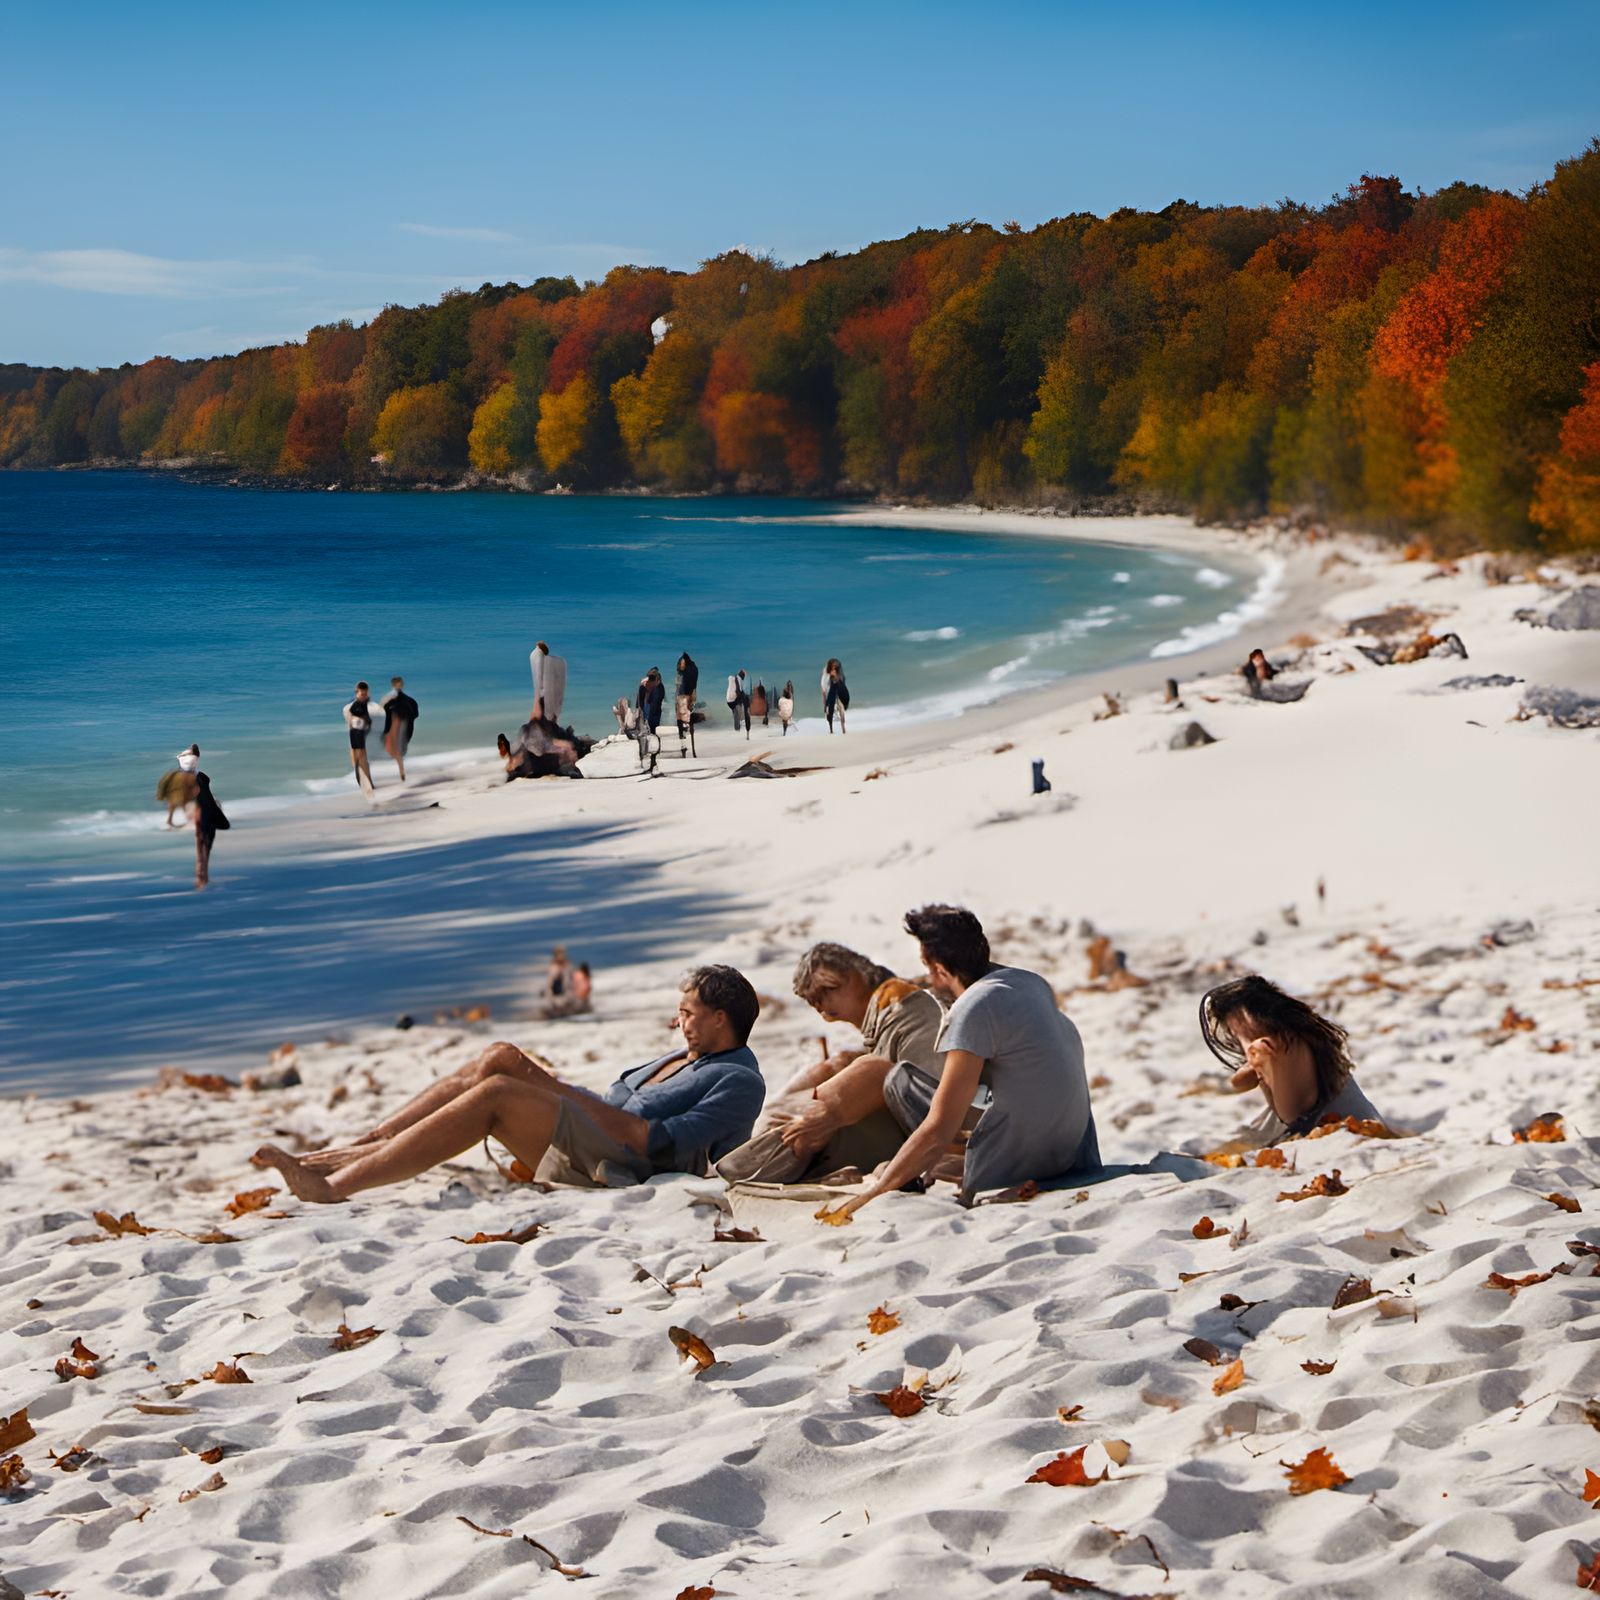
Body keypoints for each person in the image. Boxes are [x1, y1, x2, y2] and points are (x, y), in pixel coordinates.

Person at [252, 966, 766, 1202]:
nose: (679, 1022)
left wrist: (557, 1090)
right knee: (492, 1063)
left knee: (498, 1087)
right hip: (593, 1140)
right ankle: (354, 1151)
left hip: (622, 1166)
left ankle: (335, 1184)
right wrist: (562, 1091)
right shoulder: (685, 1054)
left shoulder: (737, 1079)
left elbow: (653, 1141)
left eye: (688, 1013)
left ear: (721, 1019)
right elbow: (618, 1104)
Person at [811, 905, 1101, 1220]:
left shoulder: (973, 1009)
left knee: (900, 1081)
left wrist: (873, 1194)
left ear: (940, 969)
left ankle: (951, 1166)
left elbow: (939, 1126)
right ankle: (948, 1160)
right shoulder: (1030, 983)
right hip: (1070, 1154)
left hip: (1019, 1168)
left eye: (927, 966)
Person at [717, 941, 947, 1184]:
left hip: (930, 1123)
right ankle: (757, 1143)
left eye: (828, 988)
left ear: (858, 974)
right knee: (840, 1068)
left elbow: (928, 1091)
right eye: (813, 998)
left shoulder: (903, 1006)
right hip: (911, 1118)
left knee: (866, 1070)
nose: (820, 1004)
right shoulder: (885, 1014)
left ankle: (758, 1155)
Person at [1199, 974, 1383, 1142]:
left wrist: (1262, 1058)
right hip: (1356, 1126)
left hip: (1352, 1132)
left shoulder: (1289, 1046)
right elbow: (1238, 1083)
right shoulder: (1287, 1040)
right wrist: (1256, 1064)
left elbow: (1291, 1114)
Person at [191, 763, 229, 890]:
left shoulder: (196, 792)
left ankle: (201, 878)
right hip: (211, 815)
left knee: (201, 851)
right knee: (206, 850)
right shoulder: (205, 785)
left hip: (203, 818)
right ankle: (204, 877)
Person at [380, 677, 419, 782]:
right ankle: (400, 771)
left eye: (400, 683)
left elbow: (413, 712)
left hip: (399, 724)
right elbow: (382, 710)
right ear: (394, 684)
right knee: (396, 748)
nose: (400, 685)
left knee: (398, 748)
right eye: (398, 683)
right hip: (394, 725)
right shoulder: (390, 698)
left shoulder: (405, 699)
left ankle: (401, 771)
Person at [343, 683, 378, 796]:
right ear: (357, 693)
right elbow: (349, 716)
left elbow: (367, 718)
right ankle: (359, 780)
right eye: (362, 693)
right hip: (354, 731)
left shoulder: (365, 704)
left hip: (361, 731)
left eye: (365, 693)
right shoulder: (354, 703)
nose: (363, 695)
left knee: (362, 756)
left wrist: (366, 722)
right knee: (355, 756)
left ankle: (368, 782)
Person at [157, 744, 200, 826]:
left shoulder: (192, 757)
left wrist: (183, 754)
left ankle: (171, 818)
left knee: (174, 798)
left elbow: (179, 757)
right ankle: (187, 819)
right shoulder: (193, 757)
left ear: (193, 751)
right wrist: (185, 754)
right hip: (189, 774)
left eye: (190, 748)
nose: (189, 749)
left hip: (184, 773)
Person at [530, 641, 567, 723]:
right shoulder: (539, 655)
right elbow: (539, 675)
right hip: (543, 692)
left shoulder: (535, 655)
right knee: (544, 715)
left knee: (542, 716)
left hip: (542, 692)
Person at [674, 652, 700, 757]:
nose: (681, 665)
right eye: (680, 663)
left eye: (683, 663)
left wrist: (691, 698)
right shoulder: (680, 674)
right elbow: (677, 689)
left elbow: (693, 688)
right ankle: (683, 746)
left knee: (686, 723)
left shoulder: (689, 673)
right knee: (681, 724)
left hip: (685, 698)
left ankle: (688, 748)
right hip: (680, 699)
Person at [822, 658, 849, 734]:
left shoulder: (839, 674)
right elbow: (824, 689)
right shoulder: (827, 675)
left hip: (839, 693)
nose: (835, 667)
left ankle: (843, 728)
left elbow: (842, 682)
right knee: (830, 712)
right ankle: (831, 729)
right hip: (831, 694)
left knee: (842, 711)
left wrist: (836, 677)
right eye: (833, 666)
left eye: (836, 666)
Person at [637, 667, 666, 736]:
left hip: (654, 711)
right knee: (648, 729)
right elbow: (640, 699)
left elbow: (657, 702)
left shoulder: (659, 688)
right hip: (647, 707)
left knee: (653, 729)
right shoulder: (644, 685)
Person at [726, 669, 750, 736]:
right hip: (733, 700)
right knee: (739, 711)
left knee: (736, 714)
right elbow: (739, 691)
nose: (744, 678)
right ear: (742, 675)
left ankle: (737, 729)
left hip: (728, 700)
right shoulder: (738, 679)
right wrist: (744, 698)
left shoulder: (733, 678)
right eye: (744, 676)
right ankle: (740, 724)